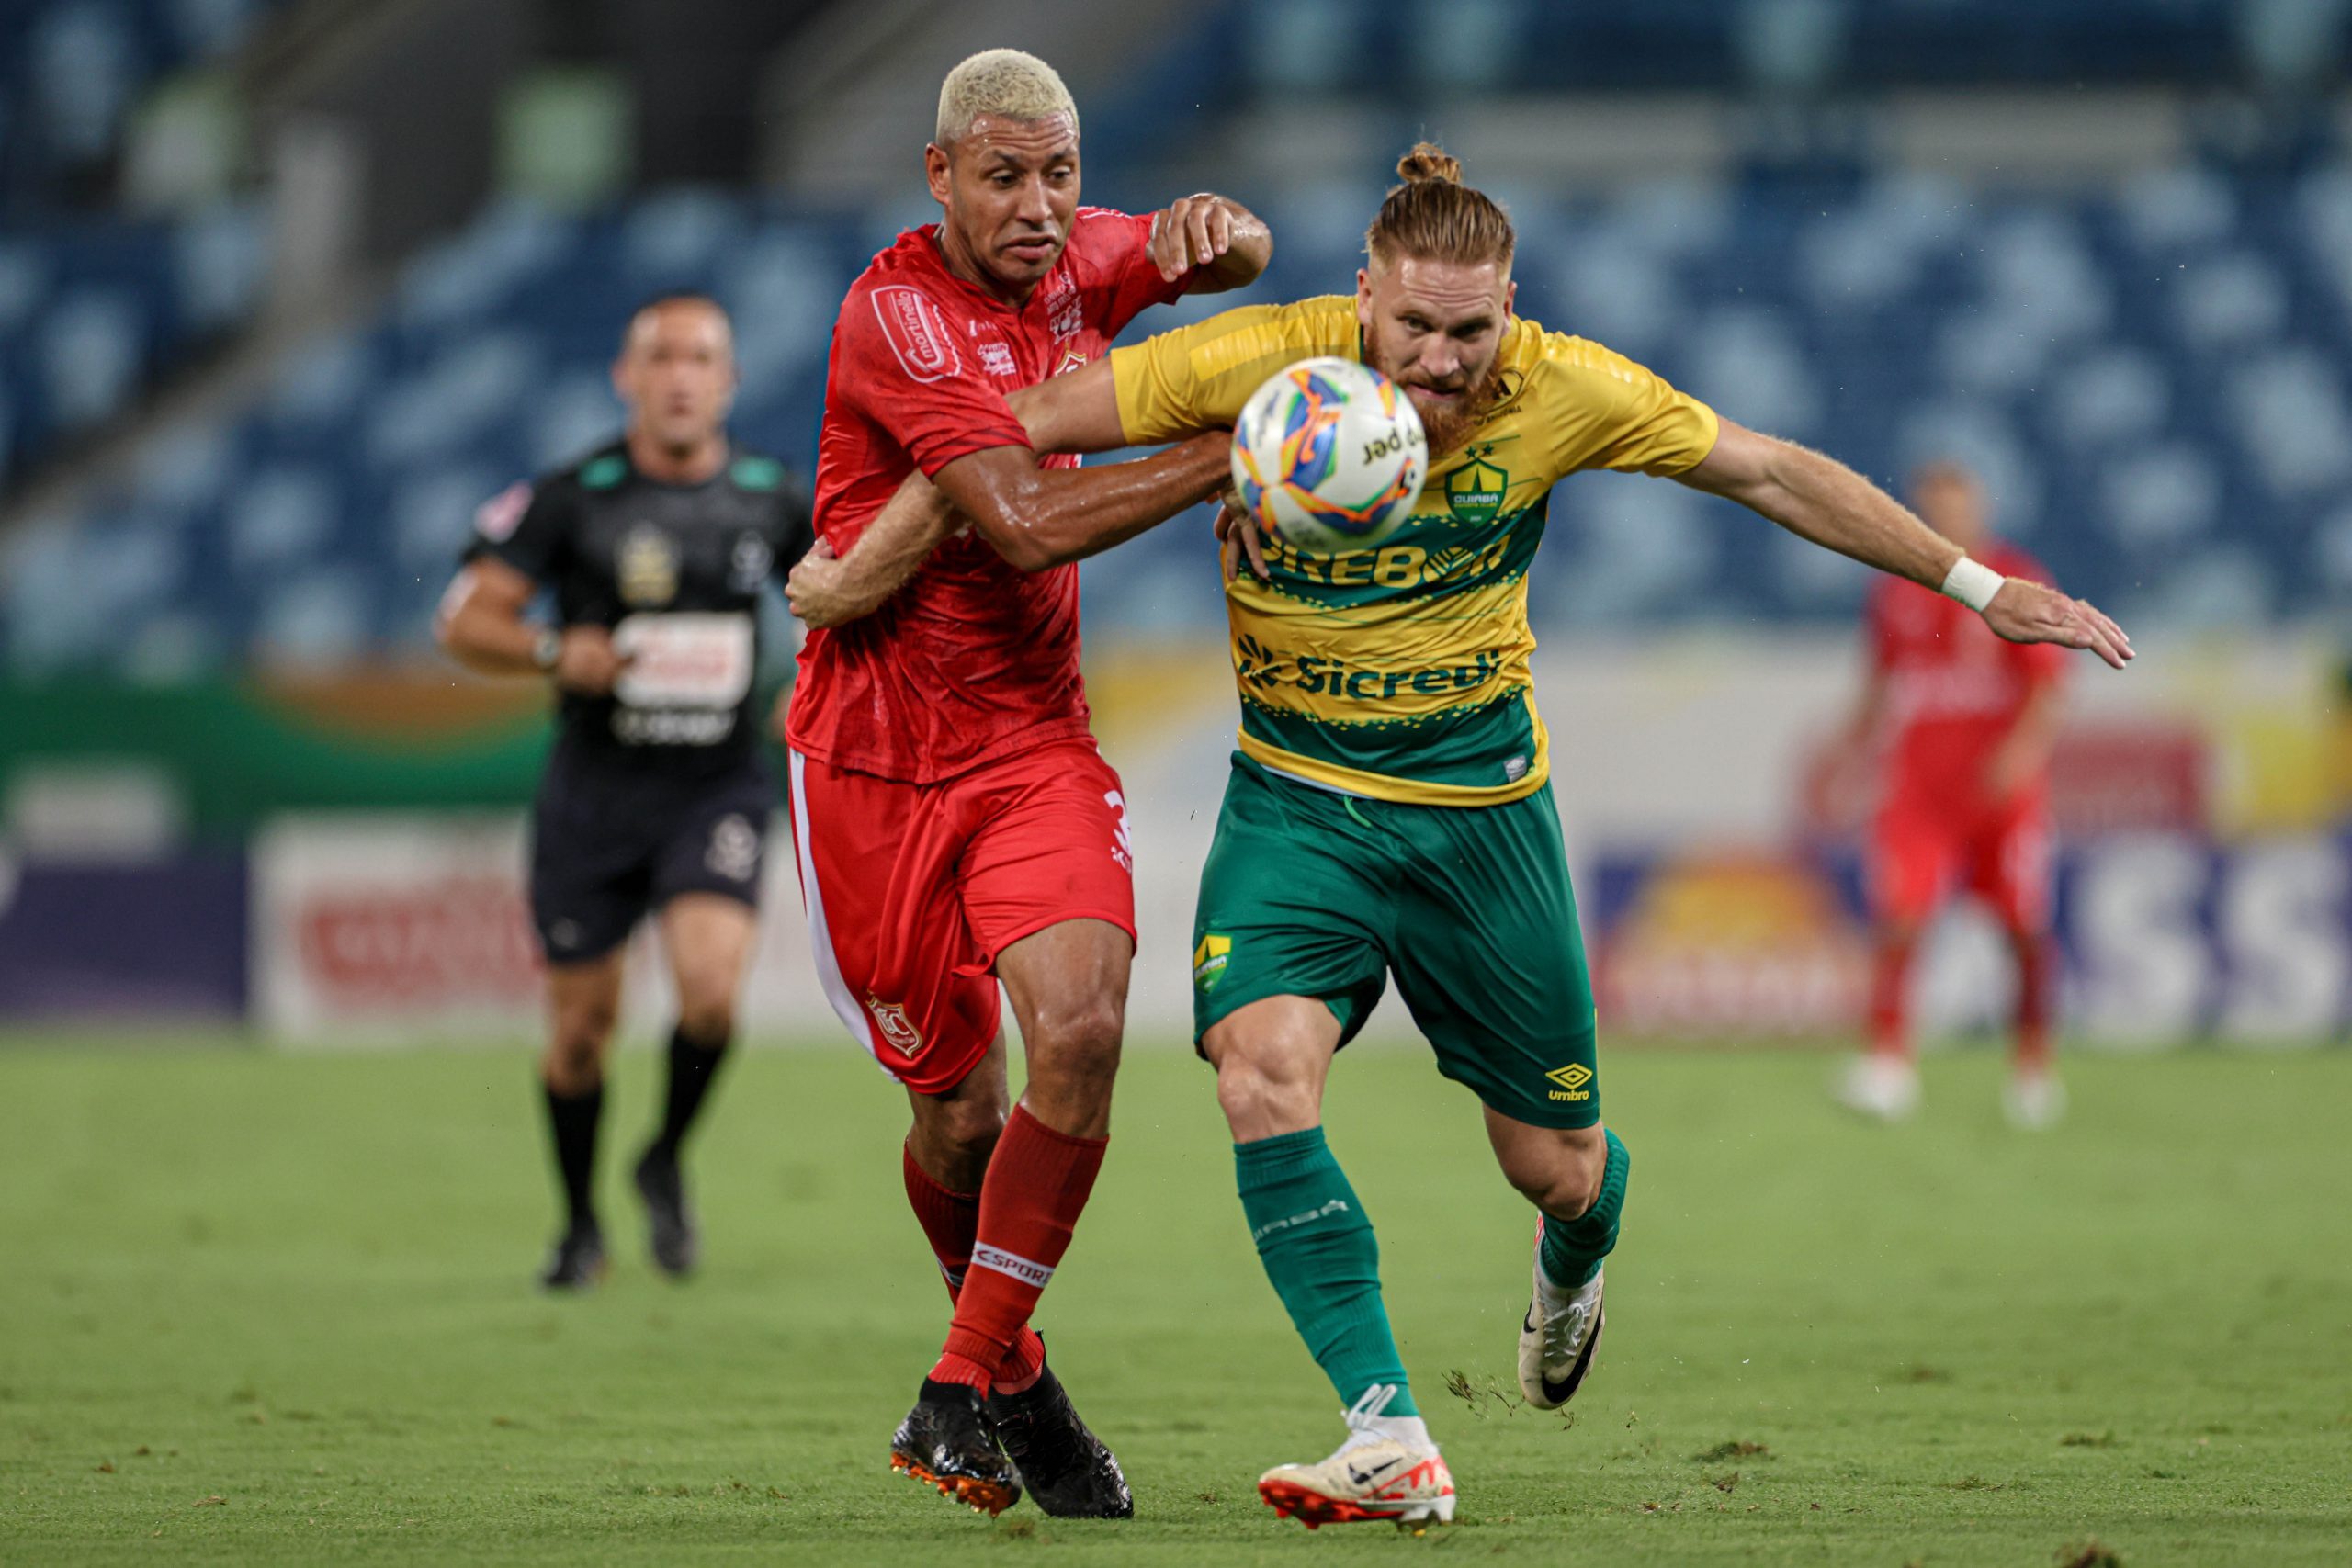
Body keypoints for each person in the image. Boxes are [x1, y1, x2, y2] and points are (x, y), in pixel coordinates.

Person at [794, 144, 2131, 1529]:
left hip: (1482, 818)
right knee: (1257, 1071)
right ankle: (1386, 1430)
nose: (1438, 360)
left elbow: (1774, 472)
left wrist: (1980, 586)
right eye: (1413, 325)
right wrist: (862, 568)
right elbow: (996, 422)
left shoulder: (1565, 389)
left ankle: (1581, 1243)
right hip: (1298, 801)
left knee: (1550, 1162)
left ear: (1513, 307)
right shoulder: (1258, 362)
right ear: (1362, 296)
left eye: (1471, 328)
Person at [779, 49, 1270, 1518]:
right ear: (941, 178)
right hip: (870, 764)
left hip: (1031, 742)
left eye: (1062, 173)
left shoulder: (1074, 252)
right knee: (958, 1115)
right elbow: (1026, 526)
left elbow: (1244, 250)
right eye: (1006, 176)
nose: (1043, 207)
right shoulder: (899, 317)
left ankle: (960, 1379)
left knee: (1089, 1018)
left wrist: (1219, 227)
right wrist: (1221, 455)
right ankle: (1022, 1382)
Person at [435, 294, 813, 1292]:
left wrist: (816, 685)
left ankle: (662, 1157)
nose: (681, 375)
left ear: (730, 380)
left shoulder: (775, 498)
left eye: (701, 357)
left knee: (711, 998)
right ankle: (577, 1224)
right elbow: (465, 620)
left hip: (715, 788)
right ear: (626, 377)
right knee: (579, 1033)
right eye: (662, 357)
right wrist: (559, 648)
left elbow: (846, 600)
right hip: (595, 797)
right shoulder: (573, 496)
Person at [1830, 459, 2070, 1129]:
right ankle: (1887, 1063)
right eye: (1929, 505)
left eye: (1954, 504)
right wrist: (1849, 759)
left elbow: (2048, 687)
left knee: (2021, 930)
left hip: (1999, 794)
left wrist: (2019, 756)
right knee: (1899, 915)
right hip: (1919, 792)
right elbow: (1879, 685)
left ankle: (2032, 1063)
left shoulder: (2015, 581)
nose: (1942, 517)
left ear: (1979, 507)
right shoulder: (1896, 591)